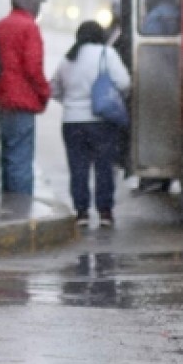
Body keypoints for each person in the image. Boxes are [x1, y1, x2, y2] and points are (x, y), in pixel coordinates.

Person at [50, 20, 130, 227]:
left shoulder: (69, 57)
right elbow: (124, 82)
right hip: (101, 121)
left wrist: (71, 103)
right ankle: (105, 212)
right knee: (104, 167)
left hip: (72, 122)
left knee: (78, 168)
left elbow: (54, 89)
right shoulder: (106, 54)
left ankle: (82, 212)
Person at [0, 0, 50, 195]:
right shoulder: (29, 27)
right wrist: (44, 93)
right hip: (23, 102)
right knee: (21, 160)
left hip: (3, 102)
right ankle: (21, 208)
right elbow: (33, 67)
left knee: (7, 156)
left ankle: (7, 203)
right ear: (31, 5)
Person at [138, 0, 180, 193]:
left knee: (157, 128)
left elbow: (149, 51)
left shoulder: (155, 17)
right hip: (176, 80)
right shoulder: (176, 12)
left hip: (158, 81)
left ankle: (156, 176)